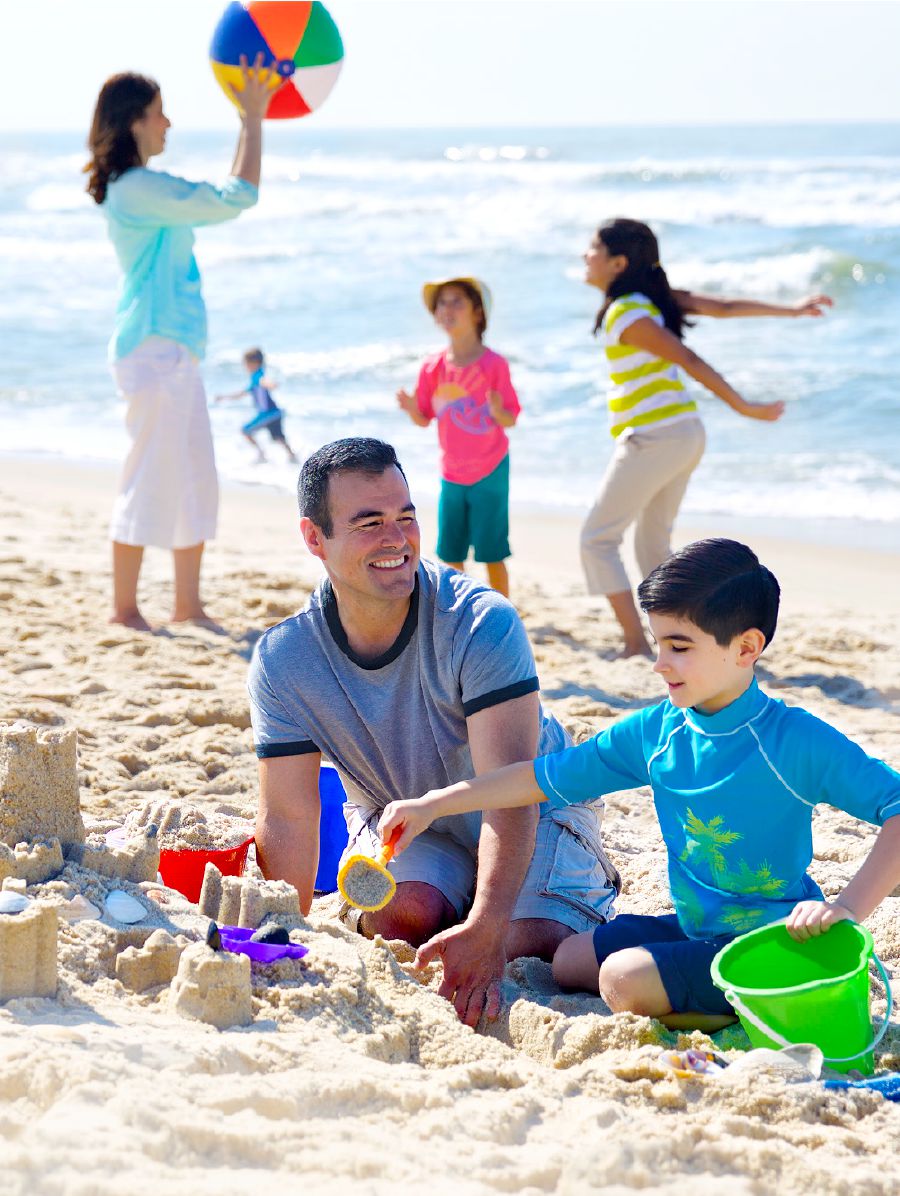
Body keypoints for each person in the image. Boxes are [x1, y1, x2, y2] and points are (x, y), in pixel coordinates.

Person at [378, 538, 900, 1032]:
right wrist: (435, 803)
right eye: (657, 643)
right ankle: (712, 995)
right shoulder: (658, 732)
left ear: (746, 648)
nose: (659, 663)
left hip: (776, 942)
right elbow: (543, 777)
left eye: (679, 647)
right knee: (569, 960)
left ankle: (755, 1014)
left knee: (621, 979)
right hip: (699, 930)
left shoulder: (794, 740)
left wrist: (847, 908)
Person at [247, 437, 620, 1027]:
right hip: (405, 819)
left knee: (532, 942)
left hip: (535, 808)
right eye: (369, 523)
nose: (396, 539)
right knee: (399, 918)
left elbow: (512, 793)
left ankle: (502, 905)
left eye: (406, 516)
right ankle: (457, 899)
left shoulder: (480, 622)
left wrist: (489, 928)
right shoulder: (286, 658)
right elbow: (290, 815)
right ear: (314, 538)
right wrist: (281, 932)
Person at [579, 217, 833, 657]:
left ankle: (636, 643)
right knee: (652, 547)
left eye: (593, 248)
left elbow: (689, 358)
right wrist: (792, 310)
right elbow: (724, 307)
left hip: (656, 437)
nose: (585, 255)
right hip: (681, 435)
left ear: (617, 263)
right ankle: (687, 640)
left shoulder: (627, 313)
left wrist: (744, 407)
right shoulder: (651, 300)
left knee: (597, 540)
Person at [85, 59, 277, 631]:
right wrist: (252, 118)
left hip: (171, 351)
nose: (167, 123)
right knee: (148, 476)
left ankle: (187, 606)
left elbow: (227, 199)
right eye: (159, 113)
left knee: (194, 477)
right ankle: (124, 610)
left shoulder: (141, 189)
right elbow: (237, 196)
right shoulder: (137, 189)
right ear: (134, 122)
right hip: (153, 351)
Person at [396, 277, 519, 598]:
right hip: (451, 472)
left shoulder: (494, 364)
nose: (447, 308)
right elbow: (424, 418)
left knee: (492, 552)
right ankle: (460, 611)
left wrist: (498, 411)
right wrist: (411, 408)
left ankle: (503, 611)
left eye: (457, 301)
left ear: (478, 312)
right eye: (442, 303)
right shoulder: (432, 366)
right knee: (450, 552)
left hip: (491, 468)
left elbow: (511, 417)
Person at [216, 347, 298, 464]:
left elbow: (263, 381)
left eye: (246, 364)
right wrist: (224, 397)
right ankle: (292, 456)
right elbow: (241, 393)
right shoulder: (255, 377)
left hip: (268, 414)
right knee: (277, 437)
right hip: (274, 413)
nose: (245, 367)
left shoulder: (258, 376)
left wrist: (271, 384)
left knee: (245, 430)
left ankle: (262, 455)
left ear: (254, 363)